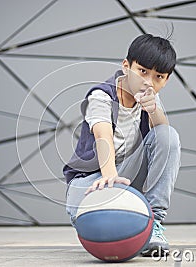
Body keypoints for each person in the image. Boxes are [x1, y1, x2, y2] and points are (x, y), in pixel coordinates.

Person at [63, 33, 181, 257]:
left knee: (168, 134)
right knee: (89, 216)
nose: (148, 81)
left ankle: (153, 222)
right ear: (126, 66)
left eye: (159, 76)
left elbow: (164, 140)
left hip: (126, 176)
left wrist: (154, 110)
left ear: (166, 80)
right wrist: (109, 178)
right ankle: (120, 223)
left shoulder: (151, 97)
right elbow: (103, 137)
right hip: (93, 180)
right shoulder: (101, 96)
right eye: (142, 71)